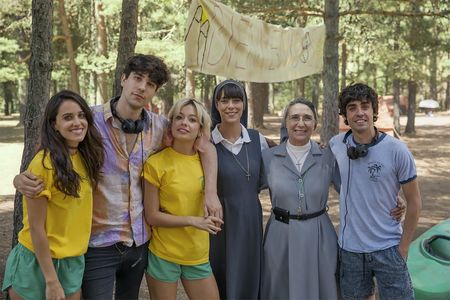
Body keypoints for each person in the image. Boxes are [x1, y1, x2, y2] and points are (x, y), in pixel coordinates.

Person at [13, 54, 222, 299]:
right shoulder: (88, 120)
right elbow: (52, 150)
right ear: (123, 79)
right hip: (98, 244)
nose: (142, 87)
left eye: (151, 84)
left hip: (139, 242)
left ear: (154, 91)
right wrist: (20, 179)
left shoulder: (161, 128)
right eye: (137, 78)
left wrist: (210, 192)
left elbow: (205, 147)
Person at [2, 91, 104, 300]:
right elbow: (37, 228)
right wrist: (52, 280)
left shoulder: (86, 158)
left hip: (72, 261)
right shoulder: (44, 164)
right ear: (54, 124)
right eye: (68, 117)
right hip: (37, 262)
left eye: (81, 115)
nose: (77, 122)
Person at [329, 83, 421, 300]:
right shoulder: (335, 145)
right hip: (350, 250)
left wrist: (404, 248)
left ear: (374, 111)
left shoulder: (397, 150)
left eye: (365, 106)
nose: (359, 112)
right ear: (345, 115)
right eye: (352, 107)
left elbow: (415, 202)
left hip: (389, 247)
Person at [261, 98, 340, 299]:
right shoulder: (268, 158)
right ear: (286, 122)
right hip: (280, 236)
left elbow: (352, 190)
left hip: (319, 236)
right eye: (294, 117)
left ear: (315, 123)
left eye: (307, 118)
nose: (301, 123)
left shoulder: (328, 157)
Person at [143, 98, 222, 300]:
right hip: (163, 254)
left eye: (192, 119)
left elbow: (209, 150)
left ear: (201, 129)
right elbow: (152, 216)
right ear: (171, 124)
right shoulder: (155, 163)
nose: (184, 123)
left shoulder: (206, 159)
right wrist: (192, 221)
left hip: (197, 254)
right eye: (179, 117)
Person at [209, 80, 268, 299]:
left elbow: (285, 155)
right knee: (221, 273)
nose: (231, 106)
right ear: (216, 104)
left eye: (236, 100)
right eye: (225, 100)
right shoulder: (206, 142)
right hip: (219, 220)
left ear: (244, 104)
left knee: (249, 272)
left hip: (250, 218)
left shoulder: (257, 139)